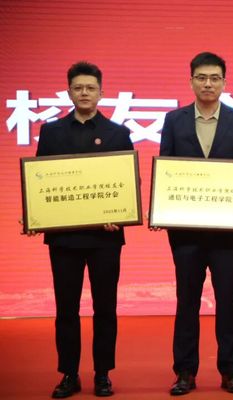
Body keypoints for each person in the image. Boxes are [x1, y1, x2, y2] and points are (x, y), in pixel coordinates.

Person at [33, 61, 133, 398]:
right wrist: (36, 216)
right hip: (64, 238)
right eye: (78, 88)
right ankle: (69, 373)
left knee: (105, 308)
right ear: (69, 92)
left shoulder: (118, 133)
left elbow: (126, 184)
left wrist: (121, 214)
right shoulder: (51, 132)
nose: (84, 93)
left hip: (105, 237)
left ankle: (102, 374)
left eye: (91, 88)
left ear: (101, 93)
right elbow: (40, 181)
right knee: (66, 309)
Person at [159, 52, 233, 396]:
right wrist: (160, 210)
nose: (208, 83)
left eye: (215, 78)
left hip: (227, 232)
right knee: (187, 301)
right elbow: (166, 168)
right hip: (185, 232)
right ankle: (185, 371)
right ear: (191, 82)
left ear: (224, 82)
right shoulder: (174, 120)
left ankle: (231, 370)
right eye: (201, 77)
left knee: (228, 300)